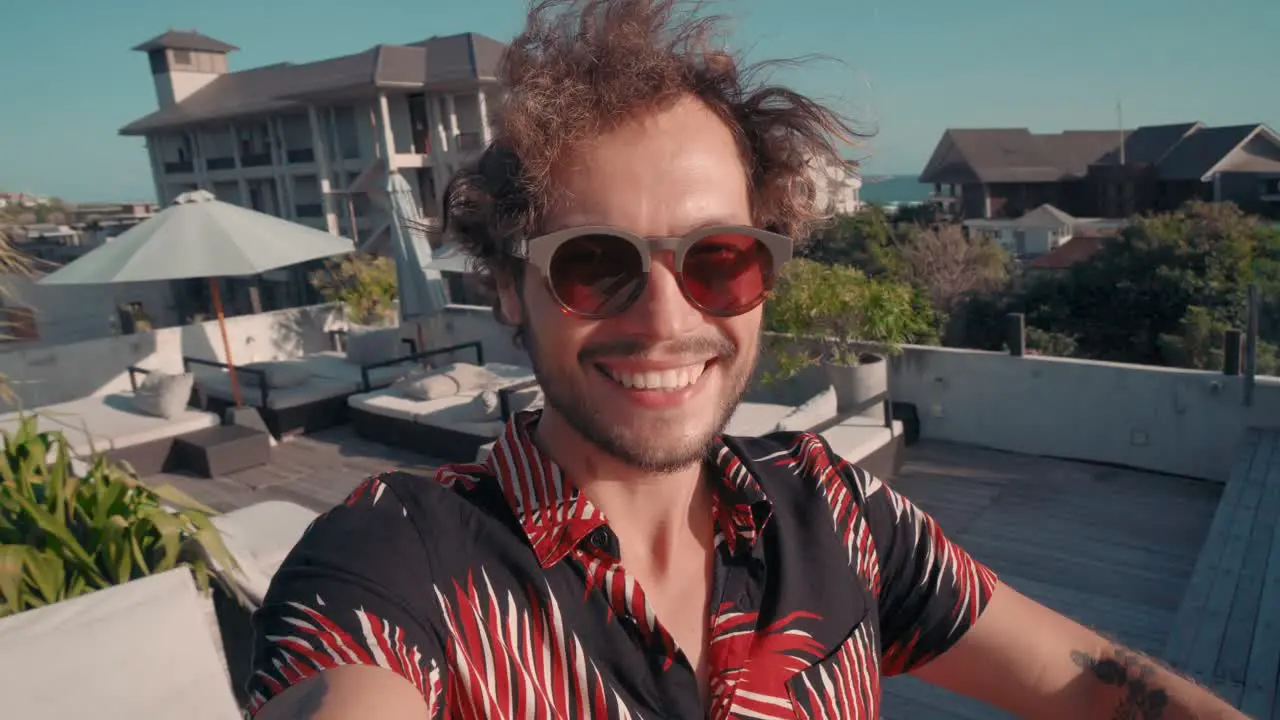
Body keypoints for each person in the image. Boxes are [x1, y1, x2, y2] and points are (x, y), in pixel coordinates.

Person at [247, 1, 1244, 718]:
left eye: (717, 259)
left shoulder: (836, 519)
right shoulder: (397, 558)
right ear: (506, 287)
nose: (665, 316)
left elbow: (1086, 681)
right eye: (592, 265)